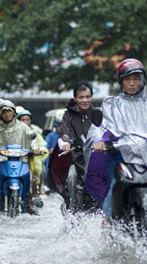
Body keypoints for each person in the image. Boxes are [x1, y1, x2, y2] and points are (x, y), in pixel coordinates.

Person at [92, 58, 147, 225]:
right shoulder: (111, 105)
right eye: (127, 79)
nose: (132, 83)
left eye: (136, 79)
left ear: (142, 80)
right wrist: (100, 141)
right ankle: (107, 224)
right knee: (113, 186)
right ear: (121, 82)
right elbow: (100, 128)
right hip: (122, 155)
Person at [0, 100, 36, 216]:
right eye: (4, 112)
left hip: (21, 159)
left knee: (31, 178)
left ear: (14, 113)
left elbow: (31, 138)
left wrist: (35, 149)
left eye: (9, 111)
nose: (7, 114)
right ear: (0, 114)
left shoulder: (23, 127)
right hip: (1, 160)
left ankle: (30, 202)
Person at [58, 82, 95, 211]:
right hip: (78, 159)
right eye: (81, 97)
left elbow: (104, 131)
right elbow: (65, 133)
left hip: (96, 159)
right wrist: (66, 143)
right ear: (75, 98)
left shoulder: (97, 113)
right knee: (72, 178)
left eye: (88, 96)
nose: (85, 100)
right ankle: (72, 211)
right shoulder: (68, 115)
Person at [17, 109, 49, 196]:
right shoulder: (14, 131)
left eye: (27, 119)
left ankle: (35, 193)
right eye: (22, 120)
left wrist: (40, 150)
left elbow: (41, 143)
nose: (25, 121)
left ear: (30, 120)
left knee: (37, 171)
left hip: (30, 157)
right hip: (16, 157)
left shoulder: (33, 132)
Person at [45, 120, 62, 190]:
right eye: (58, 126)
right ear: (55, 127)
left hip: (63, 156)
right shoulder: (51, 136)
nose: (60, 128)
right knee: (48, 168)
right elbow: (46, 146)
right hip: (52, 157)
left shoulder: (66, 135)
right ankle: (49, 186)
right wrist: (50, 150)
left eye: (62, 126)